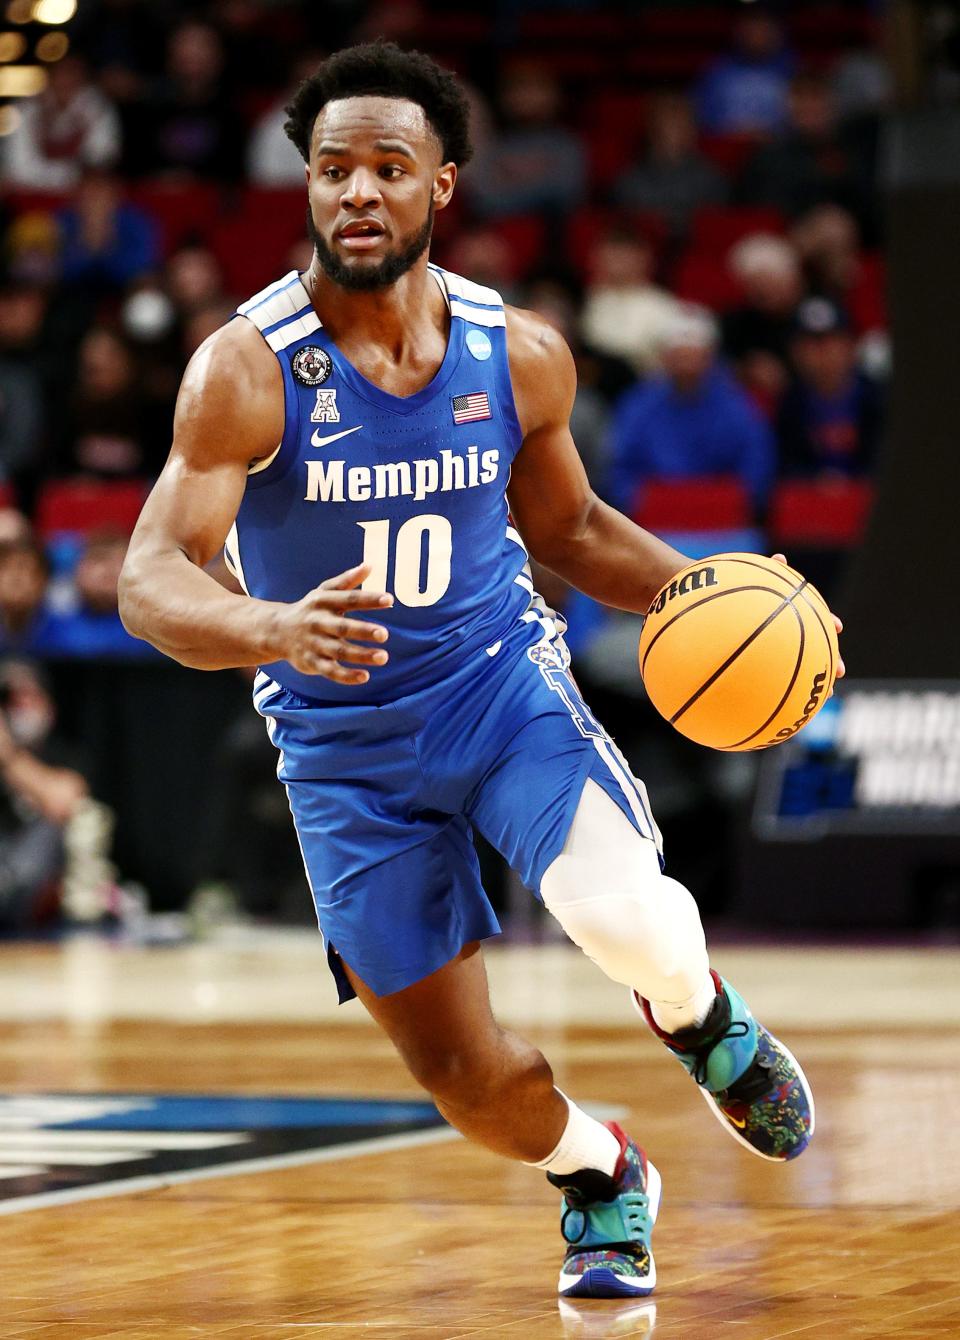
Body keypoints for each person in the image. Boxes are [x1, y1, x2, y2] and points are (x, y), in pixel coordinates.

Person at [119, 42, 839, 1302]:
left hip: (498, 689)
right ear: (307, 184)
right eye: (332, 168)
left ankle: (705, 1022)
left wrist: (709, 594)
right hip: (342, 750)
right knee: (468, 1084)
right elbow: (149, 579)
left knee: (620, 906)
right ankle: (602, 1174)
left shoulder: (519, 354)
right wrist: (273, 626)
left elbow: (570, 532)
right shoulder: (244, 367)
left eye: (386, 168)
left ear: (440, 185)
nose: (355, 191)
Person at [608, 305, 776, 516]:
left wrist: (732, 501)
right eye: (679, 355)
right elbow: (619, 469)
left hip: (722, 523)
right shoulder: (637, 405)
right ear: (664, 357)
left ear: (710, 356)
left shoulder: (738, 405)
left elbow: (756, 466)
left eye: (694, 354)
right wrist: (642, 501)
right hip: (654, 524)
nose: (686, 363)